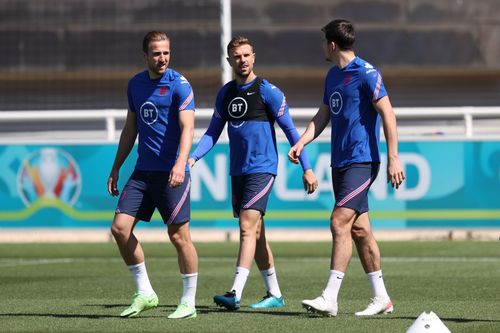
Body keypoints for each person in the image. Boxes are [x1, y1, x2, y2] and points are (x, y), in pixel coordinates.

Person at [188, 36, 318, 310]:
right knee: (257, 234)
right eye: (237, 56)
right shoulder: (225, 94)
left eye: (247, 55)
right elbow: (212, 132)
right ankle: (275, 294)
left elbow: (292, 132)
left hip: (263, 168)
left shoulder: (267, 91)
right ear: (229, 61)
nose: (242, 60)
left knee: (246, 227)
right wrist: (193, 157)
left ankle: (234, 292)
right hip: (239, 171)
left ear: (254, 57)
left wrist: (307, 168)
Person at [288, 19, 405, 317]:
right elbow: (323, 114)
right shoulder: (332, 76)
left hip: (362, 160)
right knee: (360, 230)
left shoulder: (367, 73)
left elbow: (388, 115)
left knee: (339, 221)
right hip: (340, 163)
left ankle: (330, 297)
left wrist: (393, 157)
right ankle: (382, 298)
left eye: (323, 43)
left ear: (331, 44)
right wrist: (302, 142)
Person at [107, 31, 198, 320]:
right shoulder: (135, 84)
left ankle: (188, 302)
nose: (162, 58)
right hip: (143, 172)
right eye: (156, 53)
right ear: (145, 54)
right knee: (120, 228)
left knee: (178, 236)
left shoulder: (179, 85)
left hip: (173, 173)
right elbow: (130, 129)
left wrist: (180, 164)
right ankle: (145, 292)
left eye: (166, 53)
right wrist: (116, 166)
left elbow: (188, 129)